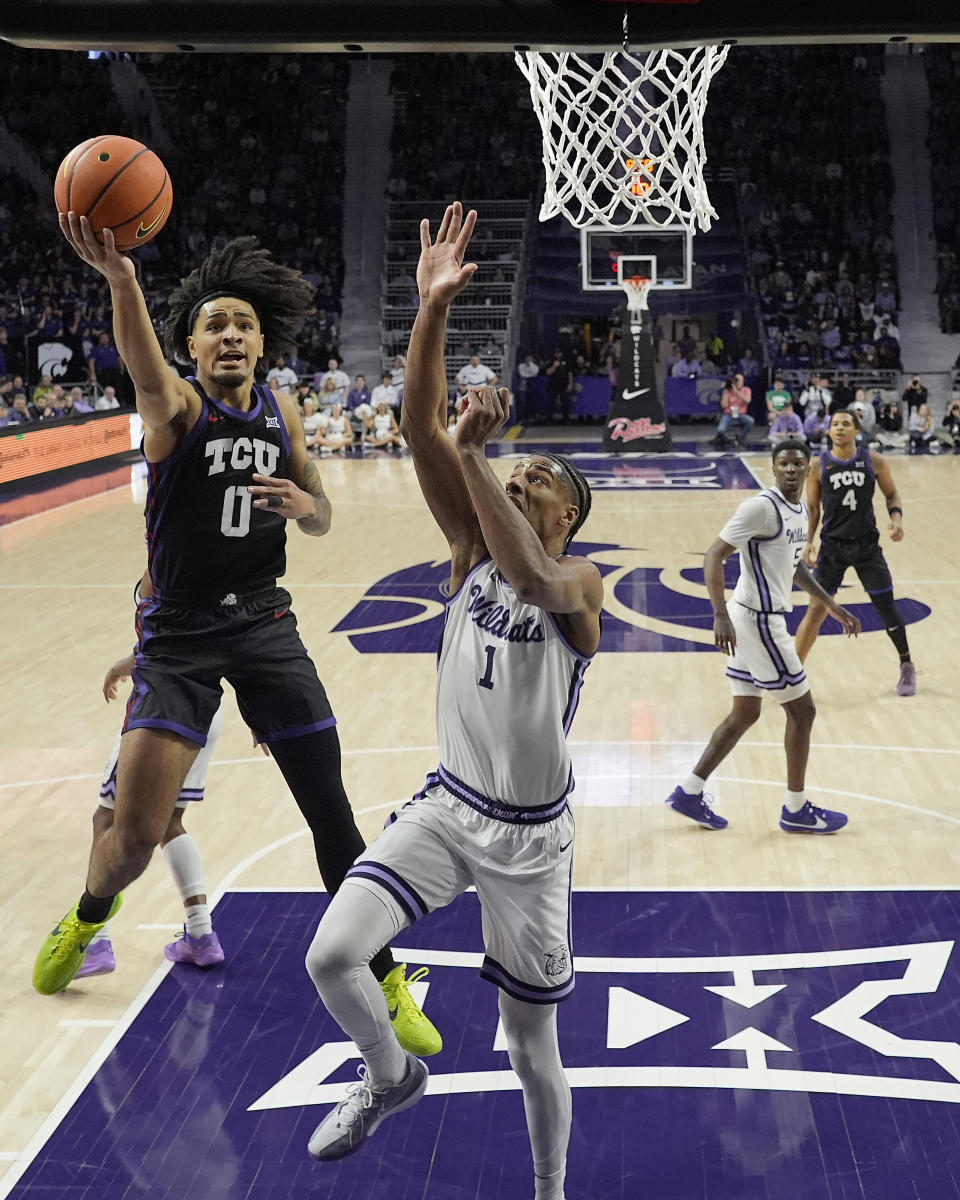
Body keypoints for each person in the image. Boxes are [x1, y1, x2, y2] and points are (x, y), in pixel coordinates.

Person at [32, 220, 441, 1059]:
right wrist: (122, 284)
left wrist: (307, 507)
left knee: (331, 813)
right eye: (215, 323)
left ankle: (388, 977)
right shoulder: (176, 407)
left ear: (262, 342)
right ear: (192, 343)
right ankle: (88, 916)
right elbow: (142, 367)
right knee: (138, 835)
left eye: (244, 324)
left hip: (262, 624)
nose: (230, 334)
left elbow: (321, 511)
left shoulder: (281, 406)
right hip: (179, 640)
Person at [304, 203, 601, 1200]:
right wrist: (431, 311)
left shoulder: (581, 589)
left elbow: (533, 578)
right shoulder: (469, 552)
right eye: (514, 471)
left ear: (568, 513)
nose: (521, 478)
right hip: (447, 806)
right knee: (334, 955)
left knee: (529, 1043)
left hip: (531, 841)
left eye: (540, 479)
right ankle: (391, 1076)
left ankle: (550, 1191)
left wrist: (480, 461)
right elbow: (416, 427)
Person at [666, 439, 861, 834]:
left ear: (808, 469)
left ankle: (689, 791)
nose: (791, 469)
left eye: (798, 464)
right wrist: (719, 615)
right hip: (757, 621)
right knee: (803, 711)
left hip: (756, 619)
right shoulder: (761, 507)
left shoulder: (800, 510)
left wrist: (830, 604)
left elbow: (794, 568)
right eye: (784, 464)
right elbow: (713, 555)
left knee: (745, 713)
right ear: (773, 468)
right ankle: (796, 809)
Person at [79, 602, 225, 978]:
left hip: (163, 705)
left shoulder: (165, 565)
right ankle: (200, 933)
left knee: (108, 817)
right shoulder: (219, 574)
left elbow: (160, 638)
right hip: (207, 705)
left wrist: (126, 663)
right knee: (169, 822)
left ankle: (94, 939)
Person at [794, 409, 917, 696]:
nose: (839, 428)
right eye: (835, 424)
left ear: (856, 431)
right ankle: (793, 674)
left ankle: (907, 665)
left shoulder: (874, 461)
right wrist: (808, 542)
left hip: (867, 546)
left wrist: (896, 520)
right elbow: (813, 509)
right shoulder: (817, 466)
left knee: (886, 607)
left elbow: (892, 495)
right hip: (832, 548)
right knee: (815, 609)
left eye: (845, 424)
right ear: (828, 432)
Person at [714, 373, 754, 447]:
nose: (738, 382)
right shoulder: (728, 390)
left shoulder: (747, 390)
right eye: (736, 381)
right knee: (720, 430)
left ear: (743, 382)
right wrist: (726, 392)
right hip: (729, 414)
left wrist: (737, 392)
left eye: (740, 381)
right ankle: (728, 439)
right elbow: (724, 405)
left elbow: (748, 400)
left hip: (741, 414)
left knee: (750, 421)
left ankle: (741, 438)